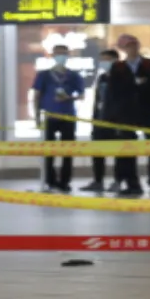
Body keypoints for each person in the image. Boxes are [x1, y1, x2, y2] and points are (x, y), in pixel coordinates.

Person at [103, 34, 150, 197]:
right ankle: (132, 183)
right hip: (126, 114)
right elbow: (112, 94)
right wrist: (111, 118)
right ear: (123, 49)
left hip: (148, 112)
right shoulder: (117, 67)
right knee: (127, 150)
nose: (132, 48)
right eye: (128, 46)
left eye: (134, 45)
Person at [32, 44, 85, 193]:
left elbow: (82, 95)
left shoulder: (74, 75)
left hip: (68, 116)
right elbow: (36, 96)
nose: (61, 56)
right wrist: (36, 116)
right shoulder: (44, 75)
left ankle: (65, 181)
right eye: (58, 54)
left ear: (68, 55)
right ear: (52, 55)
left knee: (68, 151)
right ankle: (50, 180)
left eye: (63, 54)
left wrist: (70, 97)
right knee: (49, 151)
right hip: (49, 116)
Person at [81, 49, 123, 193]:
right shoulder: (102, 78)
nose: (104, 63)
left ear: (116, 61)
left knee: (119, 154)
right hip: (100, 121)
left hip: (116, 122)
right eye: (102, 60)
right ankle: (98, 181)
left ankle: (118, 181)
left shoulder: (123, 78)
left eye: (107, 60)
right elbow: (97, 100)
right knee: (98, 152)